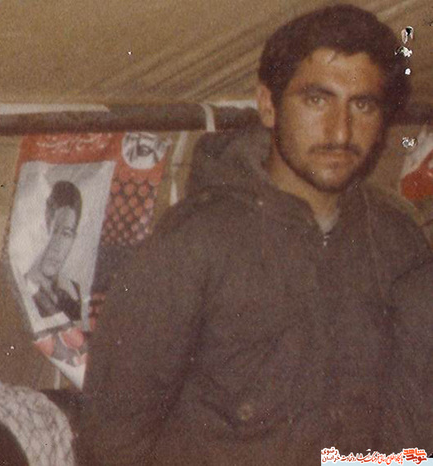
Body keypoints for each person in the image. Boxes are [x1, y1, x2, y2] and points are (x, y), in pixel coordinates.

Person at [78, 5, 433, 465]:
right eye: (317, 100)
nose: (340, 130)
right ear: (268, 105)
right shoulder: (193, 243)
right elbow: (111, 436)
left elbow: (413, 427)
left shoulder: (396, 243)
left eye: (362, 105)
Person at [25, 180, 82, 323]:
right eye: (51, 231)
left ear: (73, 239)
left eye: (66, 234)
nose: (56, 246)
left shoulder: (75, 294)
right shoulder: (18, 287)